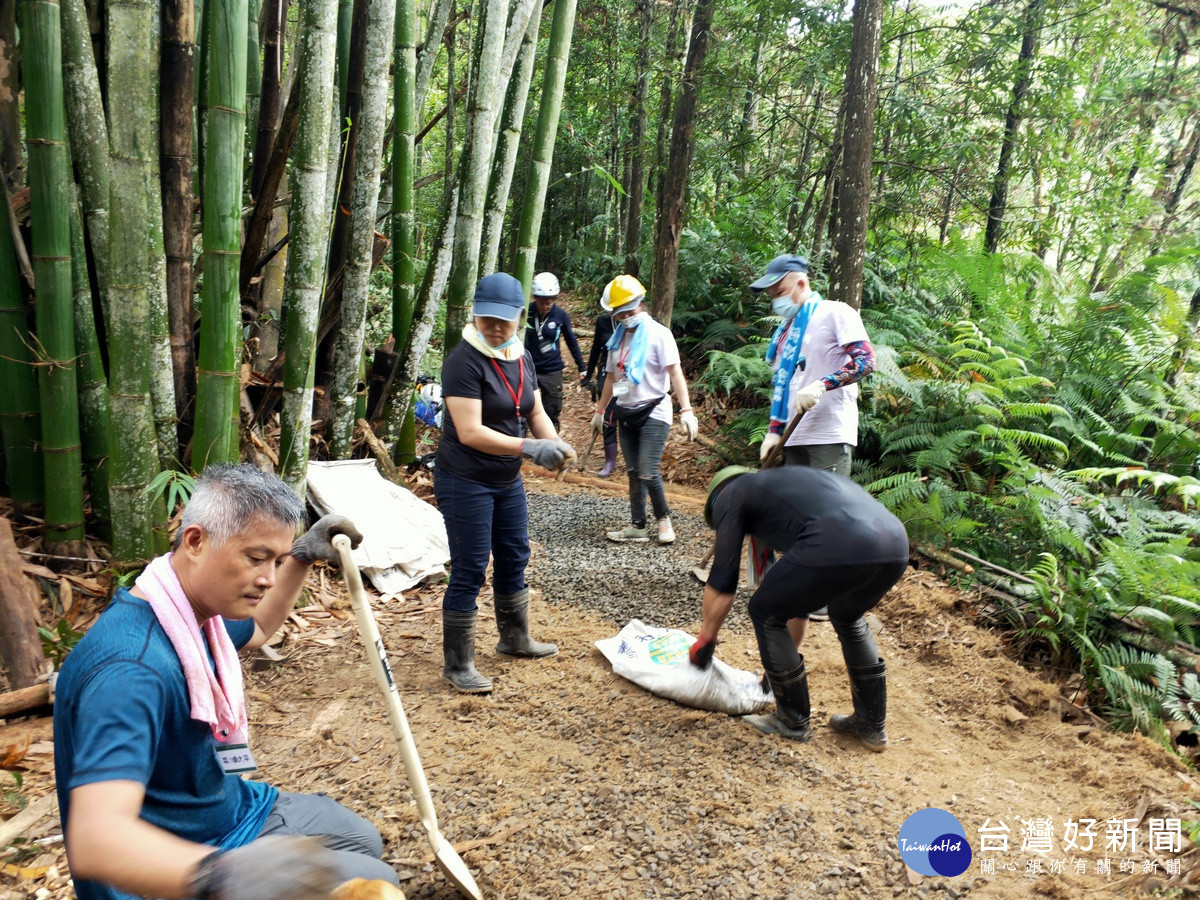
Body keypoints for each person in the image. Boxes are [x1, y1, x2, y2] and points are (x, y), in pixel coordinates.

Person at [53, 464, 402, 899]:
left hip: (231, 813)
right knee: (374, 883)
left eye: (275, 561)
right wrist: (220, 875)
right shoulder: (132, 671)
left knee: (361, 840)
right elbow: (95, 841)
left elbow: (258, 631)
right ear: (196, 541)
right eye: (257, 559)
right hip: (179, 862)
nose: (268, 578)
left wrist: (302, 557)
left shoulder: (192, 613)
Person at [689, 465, 908, 750]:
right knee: (849, 617)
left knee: (764, 611)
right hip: (895, 543)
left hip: (840, 538)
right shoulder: (786, 488)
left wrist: (705, 640)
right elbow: (798, 597)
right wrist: (778, 666)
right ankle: (871, 725)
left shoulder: (731, 494)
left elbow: (722, 579)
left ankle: (792, 721)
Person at [436, 272, 577, 693]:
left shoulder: (521, 356)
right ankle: (458, 664)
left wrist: (554, 443)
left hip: (505, 479)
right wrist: (530, 450)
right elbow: (470, 431)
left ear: (520, 316)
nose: (495, 328)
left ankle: (515, 638)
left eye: (504, 320)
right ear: (475, 316)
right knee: (470, 567)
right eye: (487, 319)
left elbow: (533, 411)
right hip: (465, 479)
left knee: (515, 554)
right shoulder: (463, 360)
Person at [749, 253, 877, 622]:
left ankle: (823, 597)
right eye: (771, 291)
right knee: (786, 513)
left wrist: (824, 383)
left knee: (829, 517)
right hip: (793, 435)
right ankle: (778, 585)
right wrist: (773, 432)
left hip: (828, 431)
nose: (775, 296)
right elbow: (782, 386)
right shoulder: (785, 333)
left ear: (800, 283)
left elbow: (865, 361)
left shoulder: (836, 313)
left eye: (779, 288)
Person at [591, 274, 698, 545]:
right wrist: (600, 411)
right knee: (632, 472)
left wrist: (686, 410)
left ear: (641, 303)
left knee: (647, 470)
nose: (626, 315)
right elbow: (613, 379)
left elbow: (675, 374)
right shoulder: (617, 341)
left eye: (630, 309)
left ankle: (664, 521)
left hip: (654, 410)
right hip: (626, 410)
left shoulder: (660, 334)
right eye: (620, 311)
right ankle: (638, 526)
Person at [524, 271, 585, 432]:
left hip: (552, 370)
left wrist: (582, 367)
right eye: (543, 300)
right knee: (523, 410)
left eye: (551, 300)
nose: (548, 304)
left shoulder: (560, 315)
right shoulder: (526, 313)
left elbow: (571, 341)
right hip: (528, 368)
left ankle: (551, 447)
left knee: (552, 409)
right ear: (535, 298)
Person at [581, 303, 618, 477]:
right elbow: (596, 348)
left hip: (629, 372)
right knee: (608, 413)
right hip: (607, 369)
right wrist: (588, 374)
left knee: (623, 409)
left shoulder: (636, 324)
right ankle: (610, 461)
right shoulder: (603, 321)